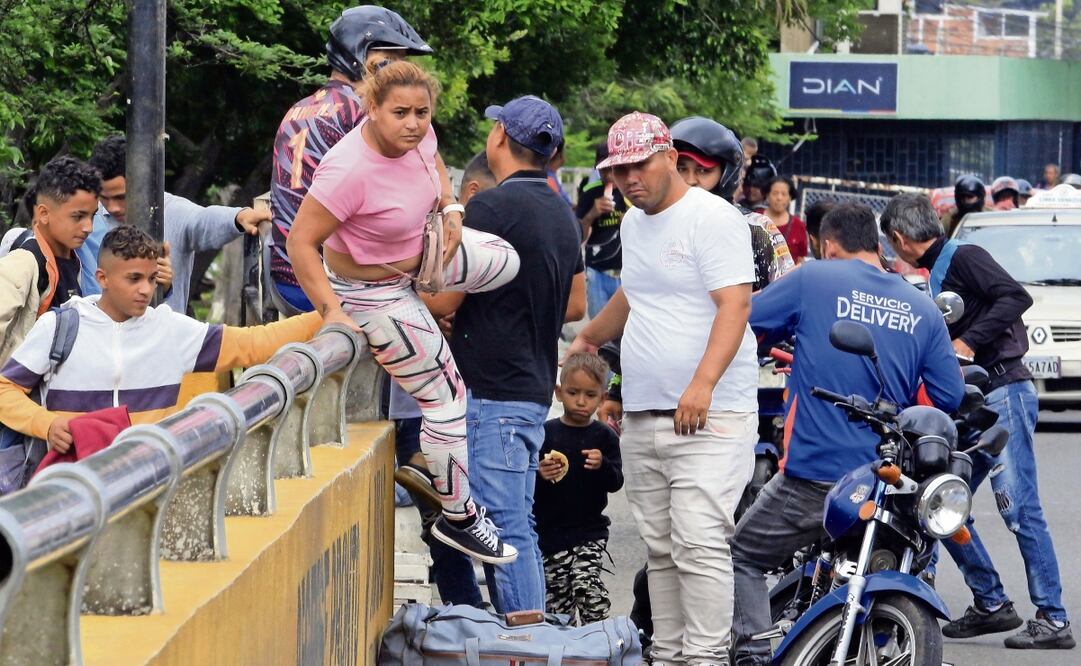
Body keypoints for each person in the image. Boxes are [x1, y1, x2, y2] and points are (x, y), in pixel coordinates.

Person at [287, 62, 521, 565]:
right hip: (370, 291)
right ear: (372, 109)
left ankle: (429, 314)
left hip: (424, 257)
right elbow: (300, 242)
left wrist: (451, 207)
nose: (413, 123)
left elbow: (435, 165)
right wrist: (331, 310)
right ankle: (458, 517)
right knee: (447, 398)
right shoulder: (348, 170)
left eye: (421, 112)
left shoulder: (422, 135)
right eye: (400, 113)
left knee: (508, 260)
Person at [730, 202, 965, 666]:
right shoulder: (921, 306)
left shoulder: (812, 278)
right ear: (878, 246)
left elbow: (740, 324)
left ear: (828, 244)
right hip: (884, 479)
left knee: (741, 554)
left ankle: (751, 652)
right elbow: (948, 394)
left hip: (813, 476)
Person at [568, 111, 758, 666]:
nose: (628, 179)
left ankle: (705, 658)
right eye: (618, 169)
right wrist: (589, 338)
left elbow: (736, 304)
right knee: (662, 549)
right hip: (647, 412)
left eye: (639, 165)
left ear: (670, 158)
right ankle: (670, 655)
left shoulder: (713, 218)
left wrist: (701, 383)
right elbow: (636, 292)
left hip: (710, 411)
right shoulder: (633, 222)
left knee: (699, 543)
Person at [882, 193, 1074, 650]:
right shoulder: (934, 274)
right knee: (936, 501)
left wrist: (968, 341)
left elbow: (1015, 295)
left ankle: (1054, 619)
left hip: (1005, 392)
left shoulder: (965, 256)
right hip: (974, 403)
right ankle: (990, 602)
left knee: (1019, 508)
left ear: (899, 238)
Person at [419, 95, 583, 612]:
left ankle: (524, 642)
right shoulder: (561, 210)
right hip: (531, 389)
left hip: (493, 394)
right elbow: (575, 303)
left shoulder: (491, 206)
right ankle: (524, 637)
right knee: (515, 520)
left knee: (503, 524)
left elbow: (446, 296)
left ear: (499, 139)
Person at [0, 225, 323, 450]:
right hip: (71, 492)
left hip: (150, 489)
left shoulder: (171, 329)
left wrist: (329, 313)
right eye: (134, 278)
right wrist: (47, 424)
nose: (146, 289)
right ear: (103, 279)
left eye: (152, 279)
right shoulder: (60, 326)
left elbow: (255, 343)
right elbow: (5, 389)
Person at [269, 5, 433, 312]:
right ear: (363, 55)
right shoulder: (365, 111)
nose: (402, 71)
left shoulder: (299, 108)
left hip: (282, 274)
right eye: (394, 59)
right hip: (326, 281)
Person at [388, 150, 497, 607]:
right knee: (443, 518)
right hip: (419, 401)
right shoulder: (430, 230)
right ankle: (466, 612)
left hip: (445, 397)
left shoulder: (465, 237)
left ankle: (467, 611)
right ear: (470, 193)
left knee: (454, 516)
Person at [79, 135, 265, 313]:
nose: (113, 207)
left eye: (122, 197)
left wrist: (238, 217)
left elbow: (203, 220)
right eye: (104, 198)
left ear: (143, 182)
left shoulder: (173, 211)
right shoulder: (87, 219)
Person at [534, 352, 623, 625]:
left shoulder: (604, 436)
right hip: (550, 535)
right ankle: (570, 650)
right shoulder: (545, 434)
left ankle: (599, 637)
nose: (581, 401)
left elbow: (616, 482)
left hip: (589, 532)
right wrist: (539, 473)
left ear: (602, 397)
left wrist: (603, 465)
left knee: (587, 587)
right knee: (557, 606)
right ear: (559, 393)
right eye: (573, 393)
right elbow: (528, 488)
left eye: (590, 394)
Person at [670, 116, 794, 291]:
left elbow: (784, 296)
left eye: (703, 170)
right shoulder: (657, 222)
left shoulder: (755, 229)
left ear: (726, 175)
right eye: (681, 169)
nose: (690, 180)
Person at [16, 157, 100, 314]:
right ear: (44, 214)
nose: (89, 227)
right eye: (78, 216)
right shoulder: (23, 264)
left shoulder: (77, 261)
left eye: (92, 216)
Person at [577, 142, 627, 318]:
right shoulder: (590, 193)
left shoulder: (634, 192)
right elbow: (578, 238)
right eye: (603, 170)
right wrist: (591, 214)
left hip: (628, 275)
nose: (609, 176)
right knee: (599, 339)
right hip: (597, 273)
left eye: (614, 169)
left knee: (627, 335)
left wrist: (631, 219)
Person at [762, 177, 807, 263]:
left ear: (790, 197)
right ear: (767, 195)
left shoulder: (798, 225)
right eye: (775, 193)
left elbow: (800, 260)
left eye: (784, 194)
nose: (779, 198)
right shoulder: (755, 219)